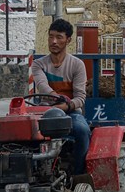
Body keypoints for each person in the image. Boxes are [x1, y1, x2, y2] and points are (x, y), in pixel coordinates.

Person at [31, 18, 90, 175]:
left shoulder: (77, 65)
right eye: (51, 37)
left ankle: (78, 173)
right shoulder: (38, 64)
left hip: (71, 113)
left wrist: (67, 106)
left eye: (59, 37)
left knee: (82, 130)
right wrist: (55, 97)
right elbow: (42, 84)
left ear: (68, 40)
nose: (54, 41)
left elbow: (80, 97)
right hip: (45, 113)